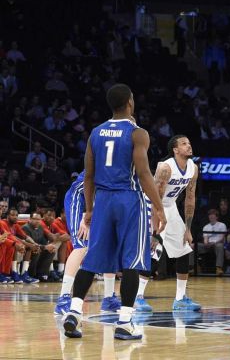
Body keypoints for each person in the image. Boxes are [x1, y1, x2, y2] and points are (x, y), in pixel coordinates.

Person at [62, 84, 166, 340]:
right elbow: (143, 174)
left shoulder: (95, 133)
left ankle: (74, 313)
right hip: (129, 199)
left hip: (103, 200)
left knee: (92, 259)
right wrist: (158, 207)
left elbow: (88, 176)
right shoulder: (137, 133)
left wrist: (89, 209)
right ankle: (125, 322)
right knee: (131, 260)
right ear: (130, 102)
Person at [133, 135, 201, 313]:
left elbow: (190, 199)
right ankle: (137, 297)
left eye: (189, 142)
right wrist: (155, 230)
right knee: (154, 250)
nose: (189, 146)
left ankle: (180, 299)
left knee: (184, 248)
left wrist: (187, 229)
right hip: (151, 206)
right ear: (175, 150)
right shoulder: (165, 168)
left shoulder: (193, 168)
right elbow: (155, 197)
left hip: (169, 207)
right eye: (184, 144)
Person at [54, 171, 121, 314]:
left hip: (100, 201)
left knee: (109, 247)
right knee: (81, 246)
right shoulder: (104, 154)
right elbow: (90, 183)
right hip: (79, 199)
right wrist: (86, 213)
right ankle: (64, 299)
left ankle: (109, 298)